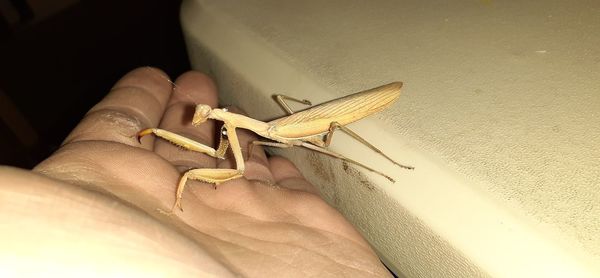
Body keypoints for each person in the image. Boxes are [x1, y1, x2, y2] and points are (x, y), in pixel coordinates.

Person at [0, 68, 391, 277]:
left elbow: (231, 164)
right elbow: (224, 154)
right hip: (278, 133)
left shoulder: (248, 131)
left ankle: (380, 163)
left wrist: (184, 177)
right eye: (206, 114)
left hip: (294, 130)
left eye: (207, 114)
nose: (202, 116)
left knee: (327, 141)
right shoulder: (233, 131)